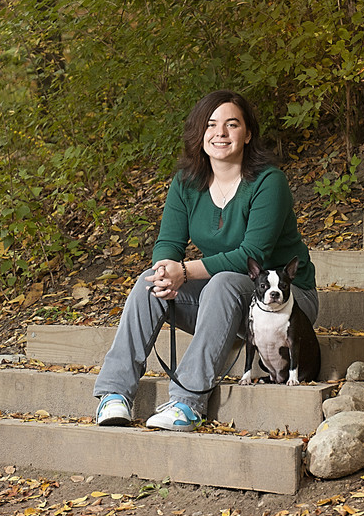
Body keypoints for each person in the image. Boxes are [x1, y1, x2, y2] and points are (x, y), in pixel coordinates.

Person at [93, 90, 318, 431]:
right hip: (227, 303)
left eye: (232, 124)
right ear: (199, 134)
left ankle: (186, 402)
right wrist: (167, 269)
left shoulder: (269, 182)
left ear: (248, 133)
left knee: (224, 281)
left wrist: (185, 271)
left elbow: (250, 255)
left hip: (286, 300)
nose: (221, 133)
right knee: (148, 283)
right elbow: (168, 242)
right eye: (211, 125)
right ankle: (114, 395)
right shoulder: (187, 182)